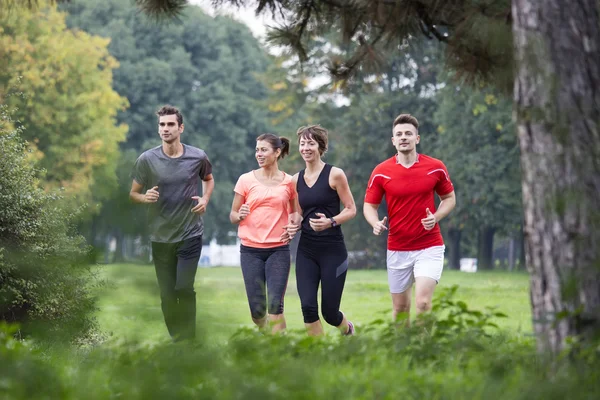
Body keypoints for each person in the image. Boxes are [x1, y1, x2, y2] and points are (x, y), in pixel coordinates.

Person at [130, 105, 214, 341]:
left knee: (184, 288)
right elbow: (133, 194)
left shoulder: (197, 156)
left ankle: (189, 339)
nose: (165, 129)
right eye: (162, 125)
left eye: (170, 124)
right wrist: (145, 197)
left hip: (190, 233)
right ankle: (179, 339)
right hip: (160, 236)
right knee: (167, 295)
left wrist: (205, 199)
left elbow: (208, 179)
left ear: (181, 128)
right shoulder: (147, 159)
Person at [363, 113, 456, 325]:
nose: (403, 137)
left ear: (417, 138)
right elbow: (369, 205)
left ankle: (424, 351)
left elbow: (449, 198)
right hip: (397, 247)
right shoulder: (381, 172)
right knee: (401, 308)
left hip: (429, 246)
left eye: (408, 133)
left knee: (423, 303)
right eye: (399, 134)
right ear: (393, 140)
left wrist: (437, 216)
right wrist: (375, 222)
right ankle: (402, 351)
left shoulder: (435, 167)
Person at [288, 125, 357, 336]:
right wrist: (293, 225)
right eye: (302, 144)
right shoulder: (295, 180)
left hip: (332, 250)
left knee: (329, 312)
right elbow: (299, 213)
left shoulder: (335, 175)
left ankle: (347, 330)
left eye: (311, 143)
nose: (306, 148)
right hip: (306, 250)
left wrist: (331, 222)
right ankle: (318, 354)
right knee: (308, 307)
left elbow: (351, 209)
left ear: (320, 146)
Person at [230, 133, 298, 333]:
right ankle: (267, 331)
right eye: (257, 150)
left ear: (277, 152)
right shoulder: (245, 180)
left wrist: (295, 225)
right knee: (257, 312)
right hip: (250, 251)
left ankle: (282, 350)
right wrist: (239, 214)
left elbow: (295, 214)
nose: (258, 154)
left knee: (276, 305)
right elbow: (232, 215)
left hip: (279, 250)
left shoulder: (289, 182)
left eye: (263, 150)